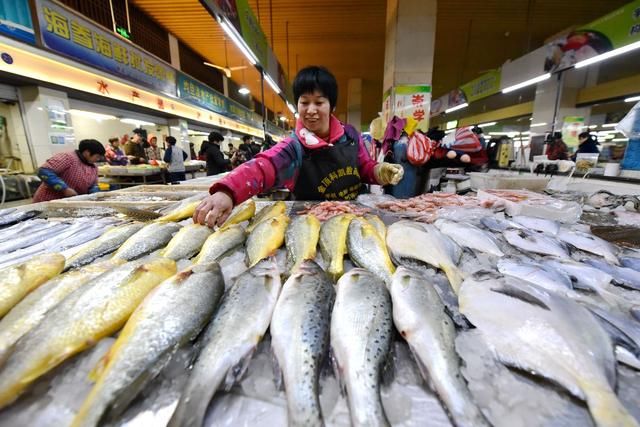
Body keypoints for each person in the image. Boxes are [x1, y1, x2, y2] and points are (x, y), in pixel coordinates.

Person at [194, 65, 404, 227]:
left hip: (356, 219)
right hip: (311, 224)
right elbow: (263, 167)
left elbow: (363, 167)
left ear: (332, 106)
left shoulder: (350, 135)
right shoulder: (294, 147)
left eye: (319, 102)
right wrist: (228, 192)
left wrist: (378, 171)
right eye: (304, 103)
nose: (311, 110)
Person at [32, 139, 105, 202]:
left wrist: (94, 195)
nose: (98, 159)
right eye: (97, 156)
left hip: (70, 204)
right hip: (48, 201)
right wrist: (64, 189)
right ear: (87, 152)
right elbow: (43, 171)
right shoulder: (68, 158)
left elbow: (92, 186)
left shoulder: (93, 167)